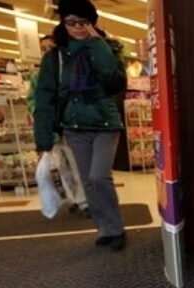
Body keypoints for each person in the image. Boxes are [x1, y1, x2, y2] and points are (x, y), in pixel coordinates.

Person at [33, 0, 127, 251]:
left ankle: (115, 228)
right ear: (62, 23)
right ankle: (105, 229)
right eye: (71, 22)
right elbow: (45, 96)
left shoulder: (107, 48)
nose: (77, 27)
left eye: (83, 22)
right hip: (74, 127)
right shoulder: (55, 58)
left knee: (99, 177)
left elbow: (115, 82)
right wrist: (43, 140)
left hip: (106, 123)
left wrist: (98, 44)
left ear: (92, 23)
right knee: (87, 181)